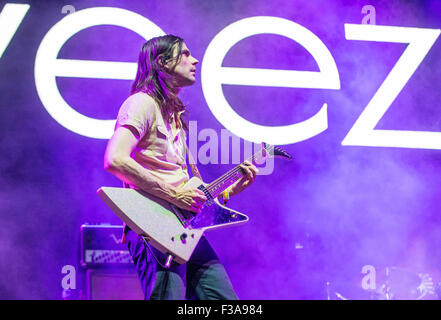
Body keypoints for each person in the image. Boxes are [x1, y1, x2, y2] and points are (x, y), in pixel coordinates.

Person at [103, 35, 258, 300]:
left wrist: (228, 192)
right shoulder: (142, 103)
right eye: (185, 54)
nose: (194, 59)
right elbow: (115, 159)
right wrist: (175, 195)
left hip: (185, 229)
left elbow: (185, 190)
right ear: (162, 62)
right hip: (153, 228)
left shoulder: (174, 116)